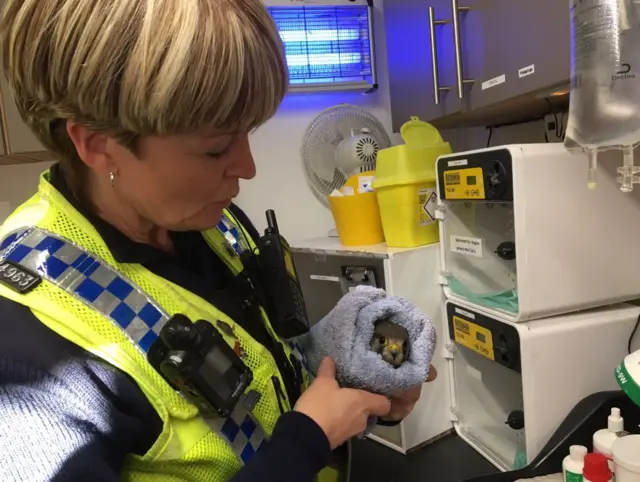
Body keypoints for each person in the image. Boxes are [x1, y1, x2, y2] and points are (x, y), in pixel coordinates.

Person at [0, 1, 436, 481]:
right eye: (215, 148)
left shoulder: (210, 225)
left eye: (247, 134)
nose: (247, 168)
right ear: (96, 143)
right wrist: (307, 439)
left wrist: (363, 391)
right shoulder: (26, 349)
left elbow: (262, 380)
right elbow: (295, 435)